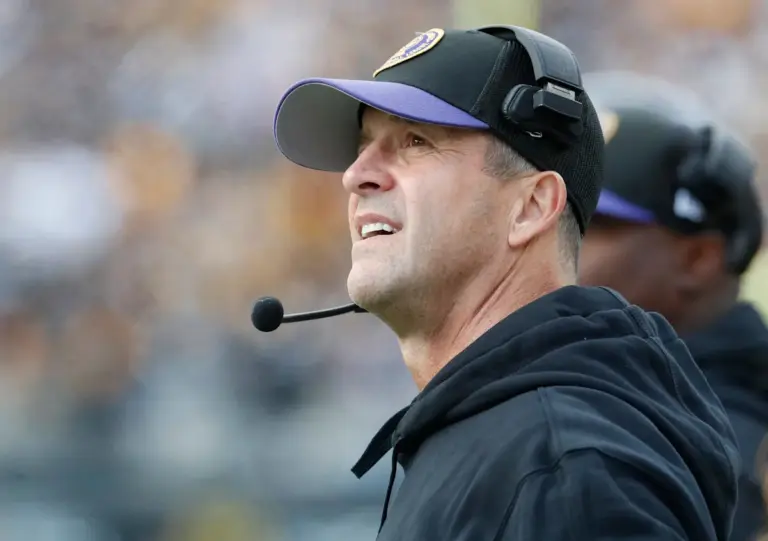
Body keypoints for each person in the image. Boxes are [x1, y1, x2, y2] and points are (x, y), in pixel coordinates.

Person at [270, 26, 739, 539]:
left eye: (416, 142)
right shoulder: (512, 441)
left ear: (532, 207)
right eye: (364, 146)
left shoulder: (566, 472)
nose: (355, 175)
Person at [579, 73, 767, 541]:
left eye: (594, 223)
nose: (558, 240)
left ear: (697, 259)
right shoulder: (623, 392)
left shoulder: (726, 449)